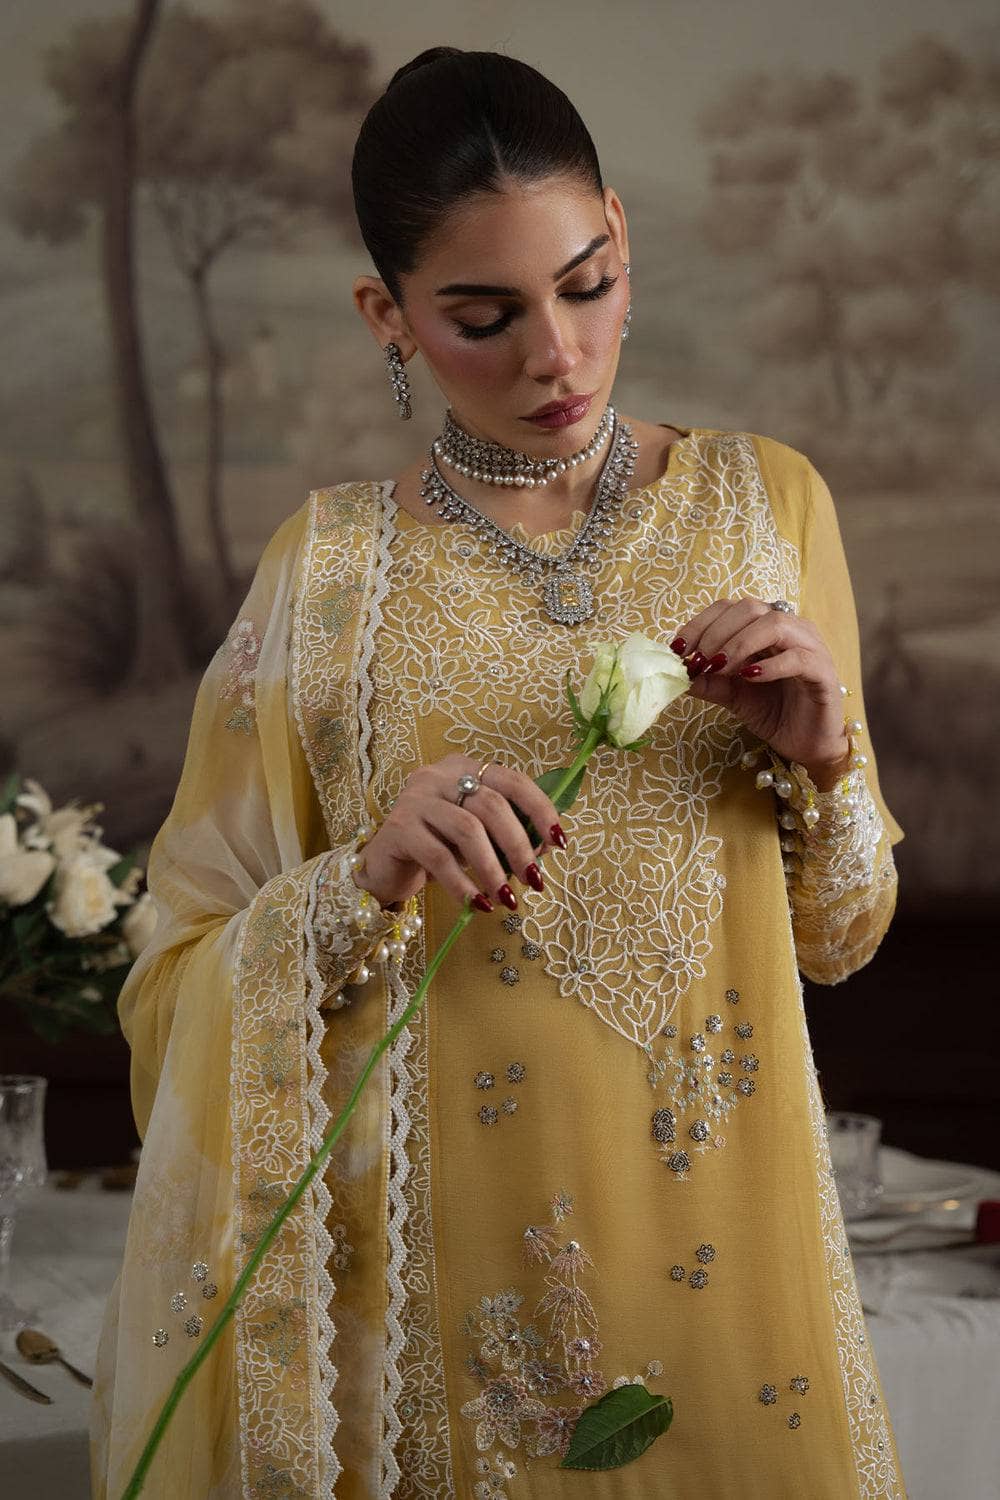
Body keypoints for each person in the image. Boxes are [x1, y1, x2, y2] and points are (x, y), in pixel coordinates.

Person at [90, 45, 908, 1500]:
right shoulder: (329, 575)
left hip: (743, 1284)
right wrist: (367, 875)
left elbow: (843, 937)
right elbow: (177, 981)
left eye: (587, 285)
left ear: (621, 236)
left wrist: (825, 761)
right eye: (484, 314)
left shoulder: (768, 507)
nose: (558, 355)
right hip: (455, 1313)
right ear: (387, 319)